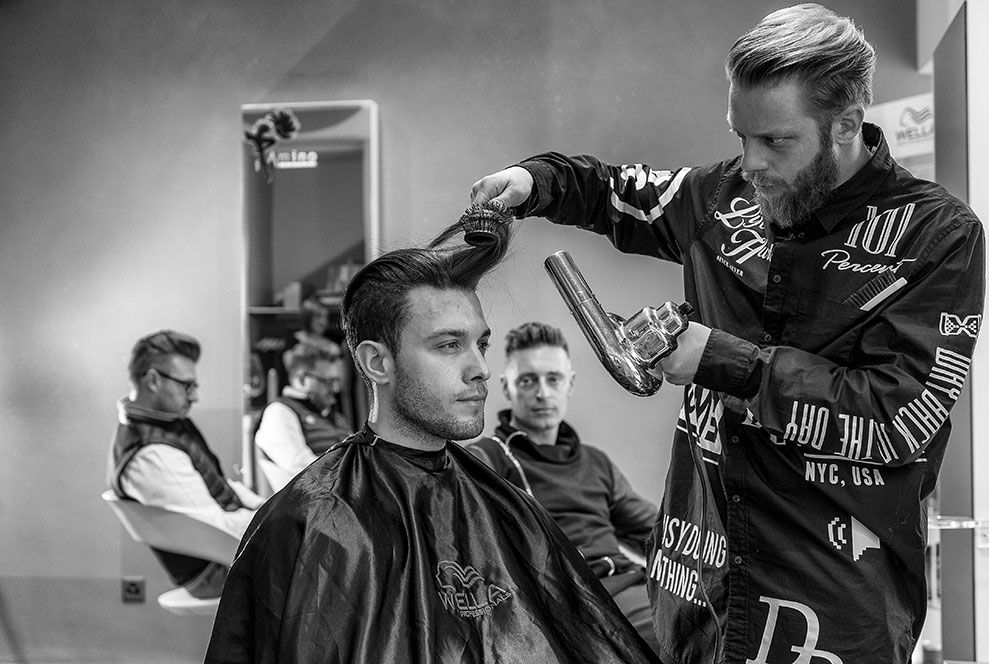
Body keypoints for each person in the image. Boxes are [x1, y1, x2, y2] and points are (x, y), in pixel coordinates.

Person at [469, 5, 985, 663]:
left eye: (775, 142)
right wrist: (534, 182)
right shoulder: (724, 196)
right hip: (696, 580)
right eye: (740, 136)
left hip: (830, 602)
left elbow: (897, 418)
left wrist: (725, 361)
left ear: (848, 125)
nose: (751, 164)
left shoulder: (936, 237)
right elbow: (612, 192)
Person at [204, 205, 661, 664]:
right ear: (377, 362)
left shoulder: (502, 502)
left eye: (480, 344)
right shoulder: (314, 516)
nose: (481, 369)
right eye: (448, 346)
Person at [467, 321, 660, 651]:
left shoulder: (594, 461)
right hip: (574, 603)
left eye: (553, 379)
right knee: (680, 642)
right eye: (528, 381)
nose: (542, 392)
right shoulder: (488, 457)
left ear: (569, 384)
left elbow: (659, 531)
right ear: (507, 387)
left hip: (633, 587)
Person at [107, 330, 264, 599]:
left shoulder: (167, 421)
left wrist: (267, 507)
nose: (194, 397)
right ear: (153, 380)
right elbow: (220, 529)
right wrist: (283, 522)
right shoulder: (151, 454)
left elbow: (220, 484)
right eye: (186, 385)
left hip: (228, 550)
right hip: (218, 568)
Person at [253, 342, 353, 490]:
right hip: (310, 508)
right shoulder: (279, 412)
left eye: (337, 381)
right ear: (301, 379)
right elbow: (299, 465)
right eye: (328, 381)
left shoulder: (336, 418)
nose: (335, 388)